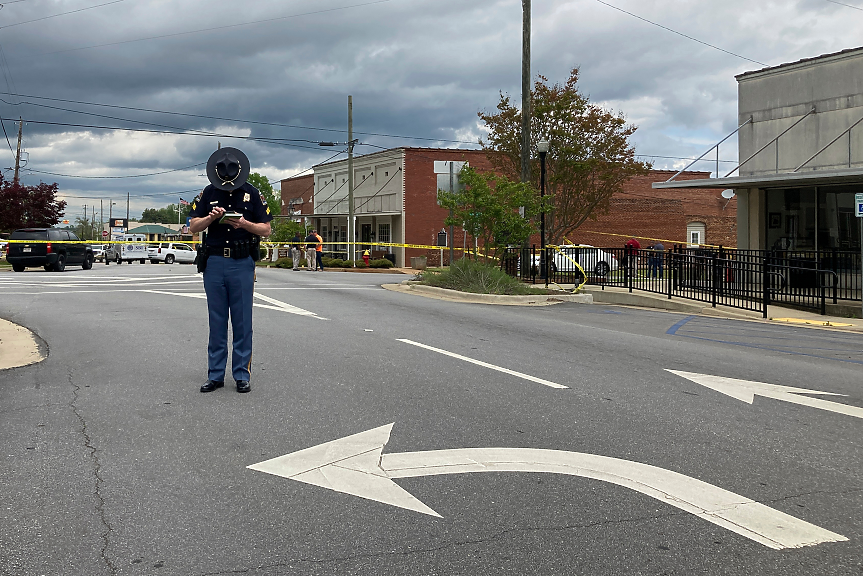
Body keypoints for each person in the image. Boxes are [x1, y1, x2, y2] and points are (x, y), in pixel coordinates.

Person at [189, 147, 272, 394]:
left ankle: (241, 374)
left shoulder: (252, 193)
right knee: (216, 321)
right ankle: (215, 375)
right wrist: (211, 219)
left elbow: (266, 230)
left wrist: (244, 224)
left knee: (242, 320)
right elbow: (193, 225)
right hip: (214, 262)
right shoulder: (208, 193)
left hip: (241, 262)